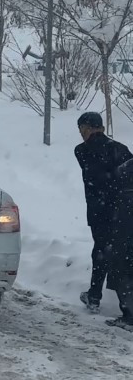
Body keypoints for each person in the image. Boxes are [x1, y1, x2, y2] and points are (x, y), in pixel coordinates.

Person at [75, 111, 133, 313]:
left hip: (99, 211)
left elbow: (97, 173)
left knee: (101, 252)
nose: (81, 133)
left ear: (88, 129)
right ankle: (99, 297)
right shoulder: (120, 149)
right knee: (120, 254)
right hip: (123, 212)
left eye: (82, 129)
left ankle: (96, 297)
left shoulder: (81, 150)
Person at [107, 157, 133, 329]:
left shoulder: (125, 197)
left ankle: (129, 316)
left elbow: (121, 225)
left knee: (122, 275)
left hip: (124, 242)